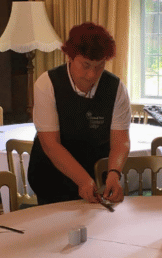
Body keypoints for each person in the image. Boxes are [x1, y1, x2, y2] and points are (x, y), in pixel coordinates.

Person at [28, 22, 131, 205]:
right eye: (85, 65)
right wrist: (83, 180)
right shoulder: (47, 84)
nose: (92, 74)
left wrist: (114, 174)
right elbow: (51, 144)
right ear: (69, 56)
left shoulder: (116, 89)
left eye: (99, 66)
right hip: (52, 179)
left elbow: (120, 140)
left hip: (95, 177)